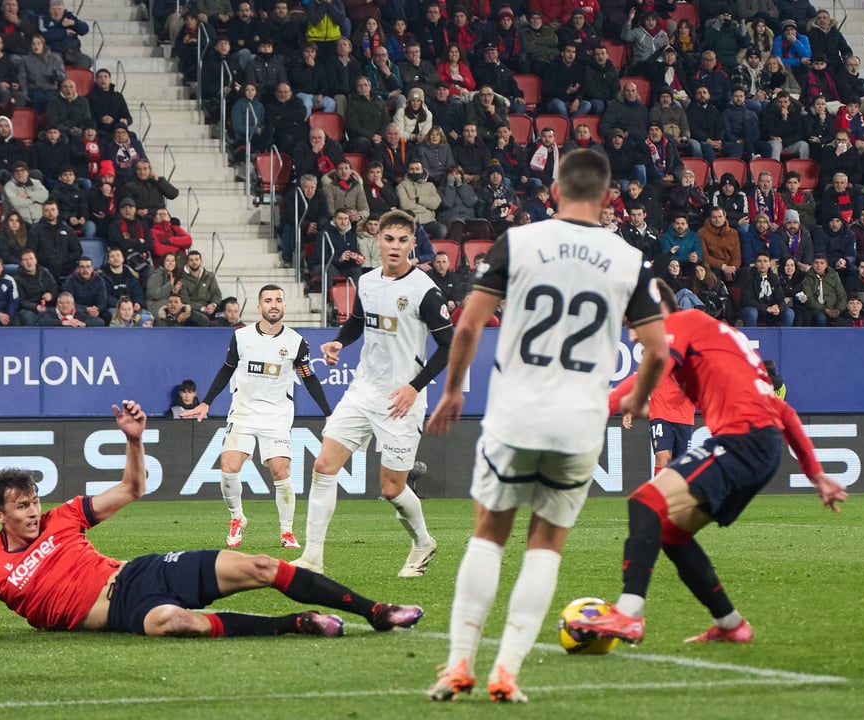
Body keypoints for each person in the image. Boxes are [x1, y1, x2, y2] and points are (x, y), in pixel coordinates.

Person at [425, 148, 669, 704]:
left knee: (489, 534)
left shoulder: (521, 241)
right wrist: (637, 400)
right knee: (546, 546)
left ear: (554, 191)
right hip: (580, 424)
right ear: (609, 199)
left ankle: (459, 664)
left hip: (515, 415)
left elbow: (468, 324)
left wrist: (454, 389)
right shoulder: (629, 259)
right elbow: (657, 350)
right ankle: (507, 672)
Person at [0, 402, 425, 640]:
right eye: (21, 507)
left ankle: (375, 610)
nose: (31, 512)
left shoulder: (62, 517)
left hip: (139, 573)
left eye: (33, 502)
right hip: (120, 616)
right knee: (172, 622)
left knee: (258, 565)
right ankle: (295, 624)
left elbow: (132, 488)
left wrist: (135, 440)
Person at [569, 283, 848, 647]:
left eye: (634, 323)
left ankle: (629, 613)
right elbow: (784, 411)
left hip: (742, 441)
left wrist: (597, 409)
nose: (633, 334)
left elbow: (651, 370)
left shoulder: (683, 323)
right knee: (671, 532)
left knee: (645, 502)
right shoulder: (724, 339)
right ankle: (730, 623)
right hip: (759, 445)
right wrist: (816, 474)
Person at [292, 210, 450, 578]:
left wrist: (414, 388)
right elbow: (358, 322)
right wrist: (338, 342)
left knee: (392, 489)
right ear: (377, 240)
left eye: (402, 240)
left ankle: (423, 541)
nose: (394, 246)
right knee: (323, 466)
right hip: (362, 390)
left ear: (413, 245)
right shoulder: (367, 281)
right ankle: (312, 558)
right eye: (388, 238)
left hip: (400, 400)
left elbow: (449, 346)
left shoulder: (425, 291)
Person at [182, 285, 334, 549]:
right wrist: (206, 402)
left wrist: (328, 413)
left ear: (284, 306)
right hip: (243, 411)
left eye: (278, 300)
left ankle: (286, 531)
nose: (273, 305)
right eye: (268, 300)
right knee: (229, 466)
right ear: (259, 307)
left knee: (280, 469)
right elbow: (226, 370)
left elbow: (308, 378)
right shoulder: (241, 337)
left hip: (276, 415)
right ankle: (237, 518)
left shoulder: (296, 342)